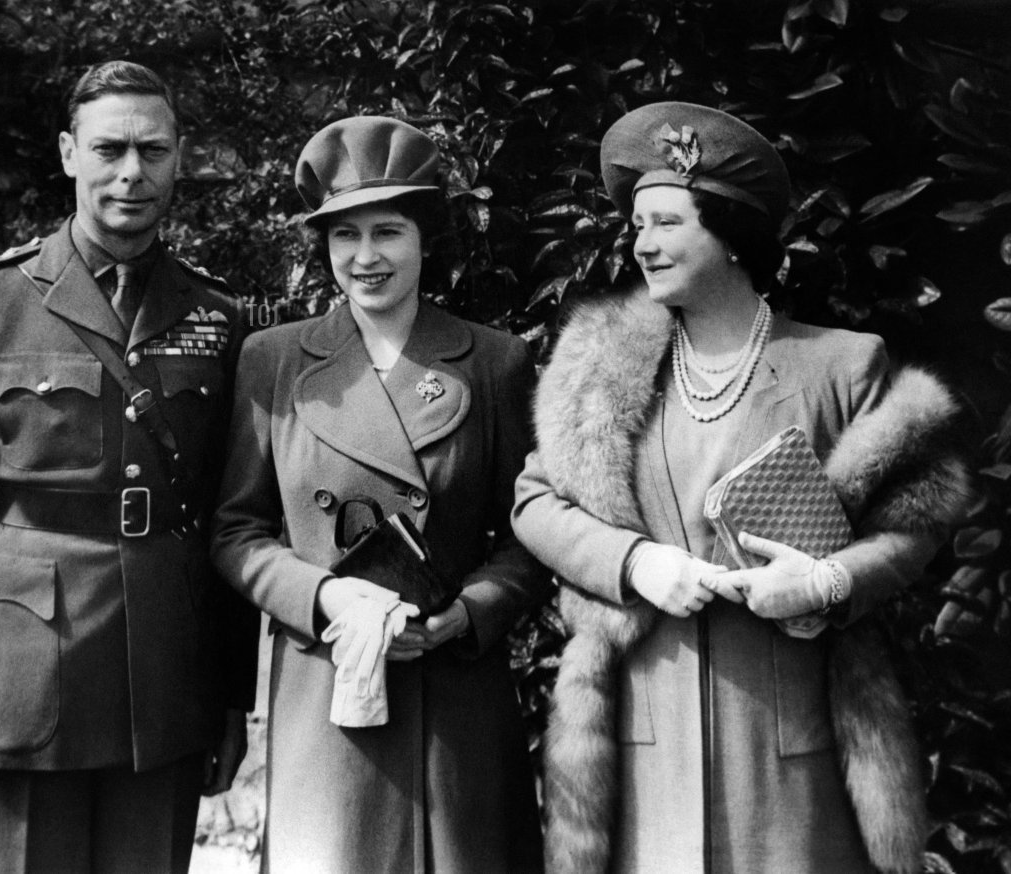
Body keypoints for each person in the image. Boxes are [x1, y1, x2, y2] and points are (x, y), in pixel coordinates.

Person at [511, 102, 973, 874]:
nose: (642, 243)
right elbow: (534, 501)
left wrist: (826, 580)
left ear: (727, 234)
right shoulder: (600, 370)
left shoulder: (841, 365)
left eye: (665, 223)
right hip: (640, 747)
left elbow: (918, 522)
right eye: (636, 226)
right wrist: (633, 563)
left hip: (797, 753)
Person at [0, 60, 259, 873]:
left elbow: (228, 522)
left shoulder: (217, 316)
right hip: (15, 680)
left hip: (160, 687)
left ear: (180, 157)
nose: (131, 173)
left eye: (152, 151)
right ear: (67, 154)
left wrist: (228, 700)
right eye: (109, 148)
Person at [212, 115, 550, 873]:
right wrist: (324, 598)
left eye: (388, 231)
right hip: (327, 692)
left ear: (425, 238)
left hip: (455, 695)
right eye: (344, 237)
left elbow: (531, 537)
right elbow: (237, 531)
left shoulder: (494, 362)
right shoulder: (274, 361)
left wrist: (466, 614)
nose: (366, 258)